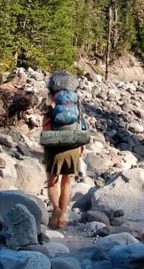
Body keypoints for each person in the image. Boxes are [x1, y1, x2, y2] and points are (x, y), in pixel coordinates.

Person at [42, 71, 84, 229]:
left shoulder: (50, 104)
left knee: (53, 183)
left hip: (54, 146)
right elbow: (82, 125)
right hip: (73, 146)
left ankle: (56, 209)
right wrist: (82, 147)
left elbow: (45, 127)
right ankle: (62, 219)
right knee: (67, 183)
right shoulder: (76, 104)